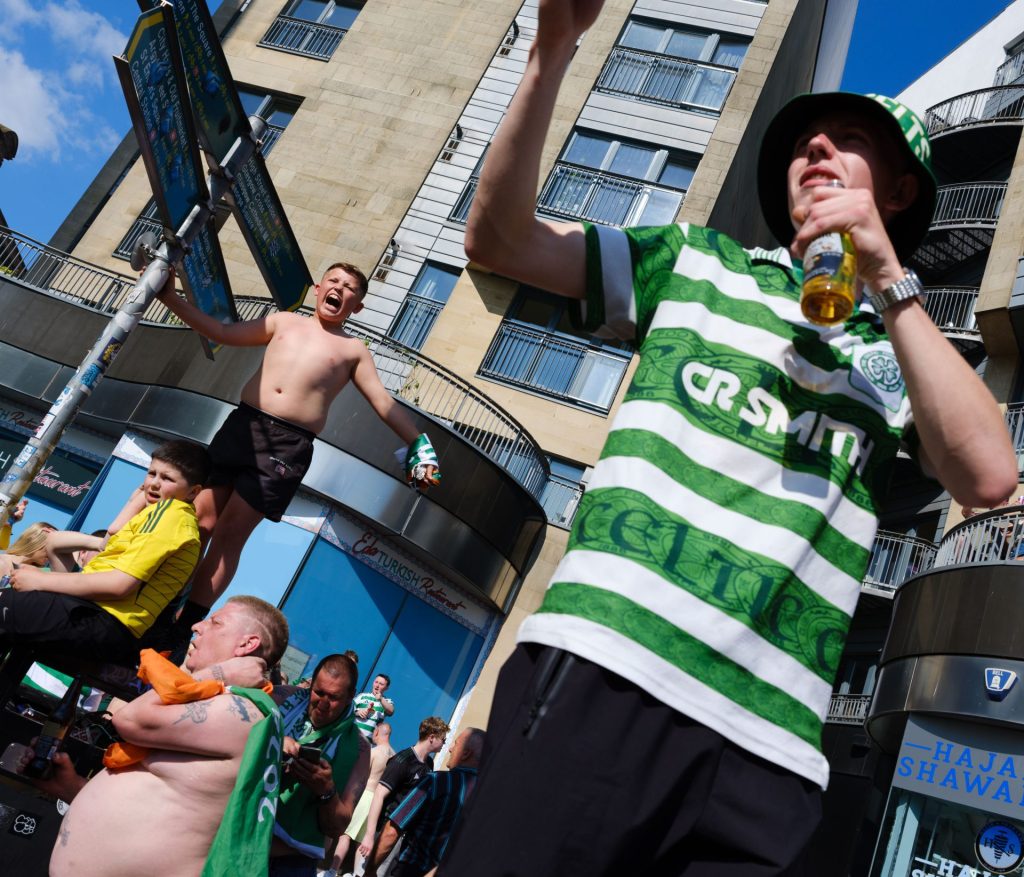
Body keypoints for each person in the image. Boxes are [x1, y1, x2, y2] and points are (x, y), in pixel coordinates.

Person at [437, 2, 1019, 875]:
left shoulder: (899, 355)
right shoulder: (699, 263)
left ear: (897, 193)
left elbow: (988, 475)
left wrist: (890, 281)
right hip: (610, 664)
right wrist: (551, 52)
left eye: (846, 137)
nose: (813, 149)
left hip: (772, 750)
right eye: (802, 142)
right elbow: (502, 240)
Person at [156, 264, 441, 634]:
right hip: (242, 425)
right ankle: (159, 605)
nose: (340, 288)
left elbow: (382, 402)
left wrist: (419, 444)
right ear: (319, 288)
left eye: (350, 287)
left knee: (229, 536)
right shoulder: (283, 322)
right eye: (334, 281)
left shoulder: (353, 350)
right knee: (197, 521)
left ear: (358, 305)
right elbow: (221, 331)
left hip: (286, 446)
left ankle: (181, 630)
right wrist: (167, 296)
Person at [47, 595, 290, 877]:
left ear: (247, 644)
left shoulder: (242, 712)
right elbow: (161, 805)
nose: (198, 626)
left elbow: (129, 719)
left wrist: (217, 672)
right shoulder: (216, 700)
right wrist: (74, 787)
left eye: (216, 622)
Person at [1, 440, 208, 662]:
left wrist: (41, 580)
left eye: (167, 478)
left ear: (193, 492)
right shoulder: (163, 515)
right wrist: (134, 502)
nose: (154, 484)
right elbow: (109, 538)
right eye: (151, 473)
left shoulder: (170, 515)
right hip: (99, 618)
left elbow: (118, 585)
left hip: (104, 621)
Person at [271, 653, 371, 877]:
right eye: (319, 692)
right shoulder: (282, 698)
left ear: (350, 697)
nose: (323, 703)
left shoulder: (360, 750)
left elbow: (336, 828)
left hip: (290, 864)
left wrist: (326, 790)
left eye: (334, 697)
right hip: (241, 834)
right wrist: (273, 739)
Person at [385, 728, 485, 877]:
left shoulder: (435, 781)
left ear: (466, 753)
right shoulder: (487, 799)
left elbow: (392, 831)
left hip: (411, 869)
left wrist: (370, 870)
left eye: (455, 744)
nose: (450, 749)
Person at [359, 716, 450, 877]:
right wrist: (369, 835)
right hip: (386, 830)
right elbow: (379, 795)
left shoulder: (429, 765)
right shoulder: (403, 760)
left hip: (404, 835)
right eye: (443, 739)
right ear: (431, 737)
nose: (445, 744)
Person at [327, 721, 395, 876]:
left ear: (377, 732)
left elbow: (362, 776)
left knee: (345, 835)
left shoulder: (375, 752)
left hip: (365, 796)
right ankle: (357, 874)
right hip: (378, 802)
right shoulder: (395, 755)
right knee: (362, 842)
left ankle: (332, 871)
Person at [353, 673, 395, 738]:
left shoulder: (387, 701)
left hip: (368, 741)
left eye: (381, 684)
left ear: (386, 688)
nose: (377, 685)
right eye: (376, 682)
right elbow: (348, 709)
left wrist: (381, 699)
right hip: (352, 735)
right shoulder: (362, 696)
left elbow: (391, 711)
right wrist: (358, 712)